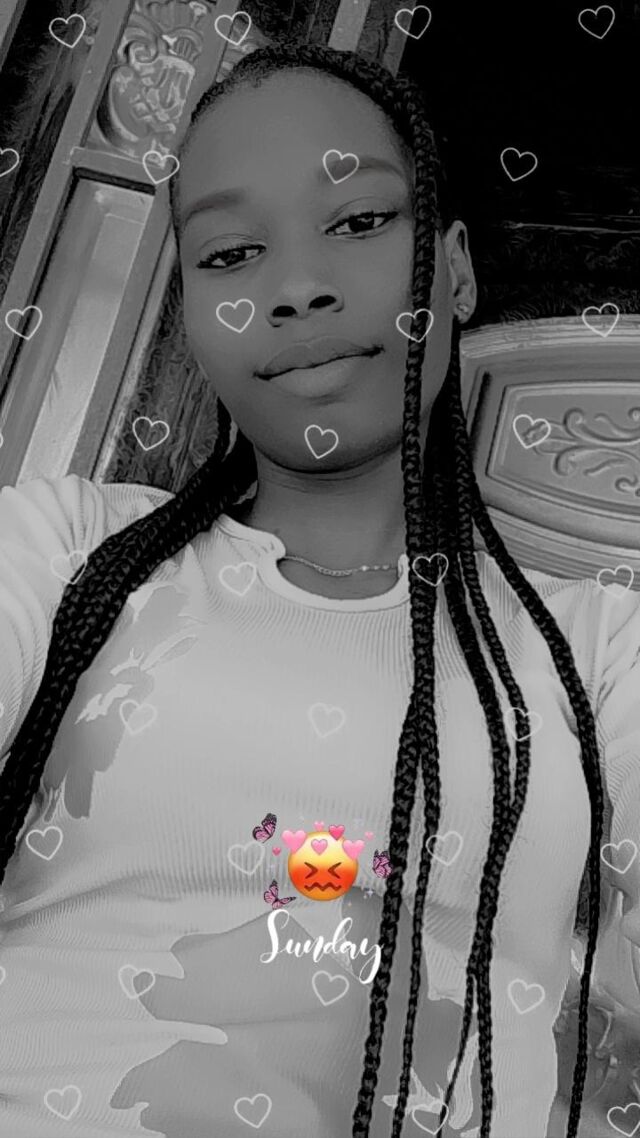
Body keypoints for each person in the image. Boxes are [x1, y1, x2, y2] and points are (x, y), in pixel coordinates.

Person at [0, 38, 638, 1138]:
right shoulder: (62, 553)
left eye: (359, 221)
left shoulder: (601, 652)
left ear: (455, 269)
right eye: (232, 253)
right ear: (192, 313)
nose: (295, 288)